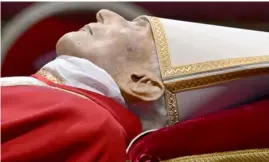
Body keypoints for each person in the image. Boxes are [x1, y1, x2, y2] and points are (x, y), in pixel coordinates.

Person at [1, 9, 269, 162]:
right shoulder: (63, 98)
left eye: (135, 27)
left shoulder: (88, 125)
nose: (105, 12)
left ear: (140, 82)